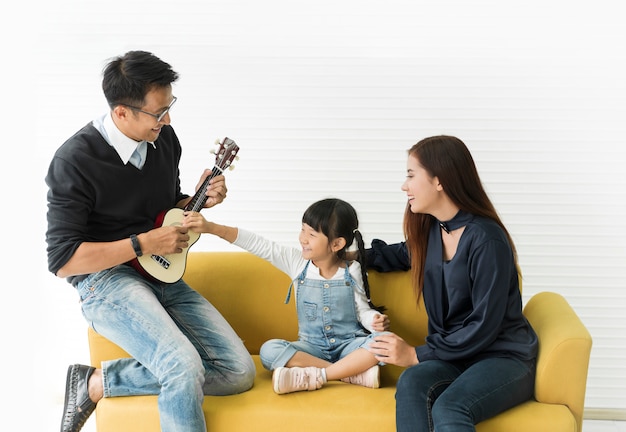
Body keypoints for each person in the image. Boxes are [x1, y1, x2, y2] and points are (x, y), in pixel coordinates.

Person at [45, 50, 255, 432]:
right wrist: (142, 244)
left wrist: (197, 201)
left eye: (169, 106)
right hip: (104, 281)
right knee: (182, 364)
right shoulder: (74, 161)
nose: (168, 119)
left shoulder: (165, 140)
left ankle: (95, 383)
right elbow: (63, 261)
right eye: (159, 112)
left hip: (160, 273)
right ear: (122, 112)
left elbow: (165, 209)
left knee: (238, 371)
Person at [365, 136, 538, 432]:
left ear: (439, 180)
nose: (404, 186)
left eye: (410, 175)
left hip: (503, 357)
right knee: (412, 381)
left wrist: (415, 354)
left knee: (450, 406)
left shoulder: (486, 239)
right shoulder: (432, 232)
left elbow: (484, 325)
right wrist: (342, 256)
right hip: (456, 357)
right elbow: (395, 255)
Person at [183, 198, 390, 394]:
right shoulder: (297, 263)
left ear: (336, 244)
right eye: (303, 230)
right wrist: (211, 228)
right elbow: (258, 244)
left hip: (349, 345)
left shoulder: (352, 270)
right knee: (269, 350)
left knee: (385, 340)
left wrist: (374, 321)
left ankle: (321, 375)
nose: (303, 239)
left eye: (311, 234)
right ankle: (348, 374)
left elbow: (362, 310)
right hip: (312, 348)